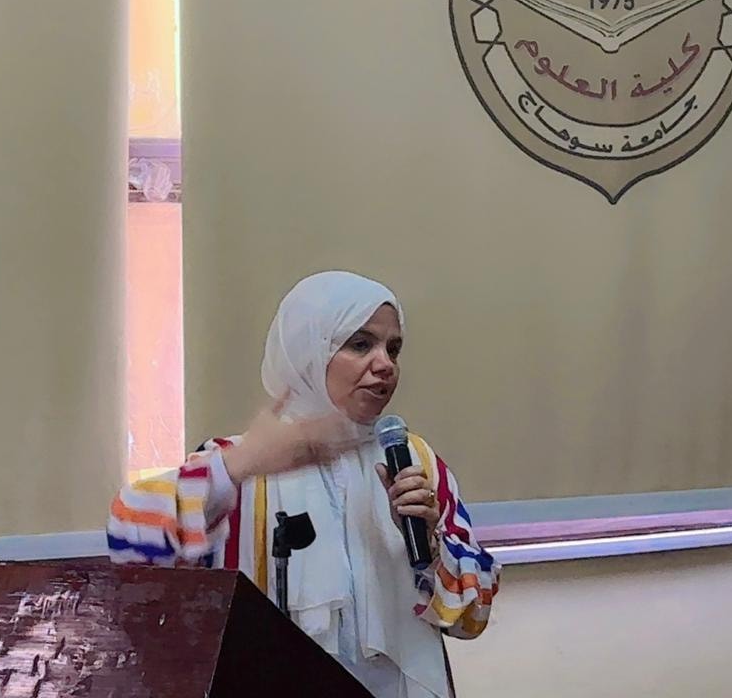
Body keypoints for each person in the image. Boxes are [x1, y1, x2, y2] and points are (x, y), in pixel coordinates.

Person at [107, 271, 499, 698]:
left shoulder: (415, 461)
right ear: (307, 350)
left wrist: (429, 549)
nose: (385, 364)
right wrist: (241, 465)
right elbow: (130, 540)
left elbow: (472, 618)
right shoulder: (239, 462)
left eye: (393, 348)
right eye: (361, 344)